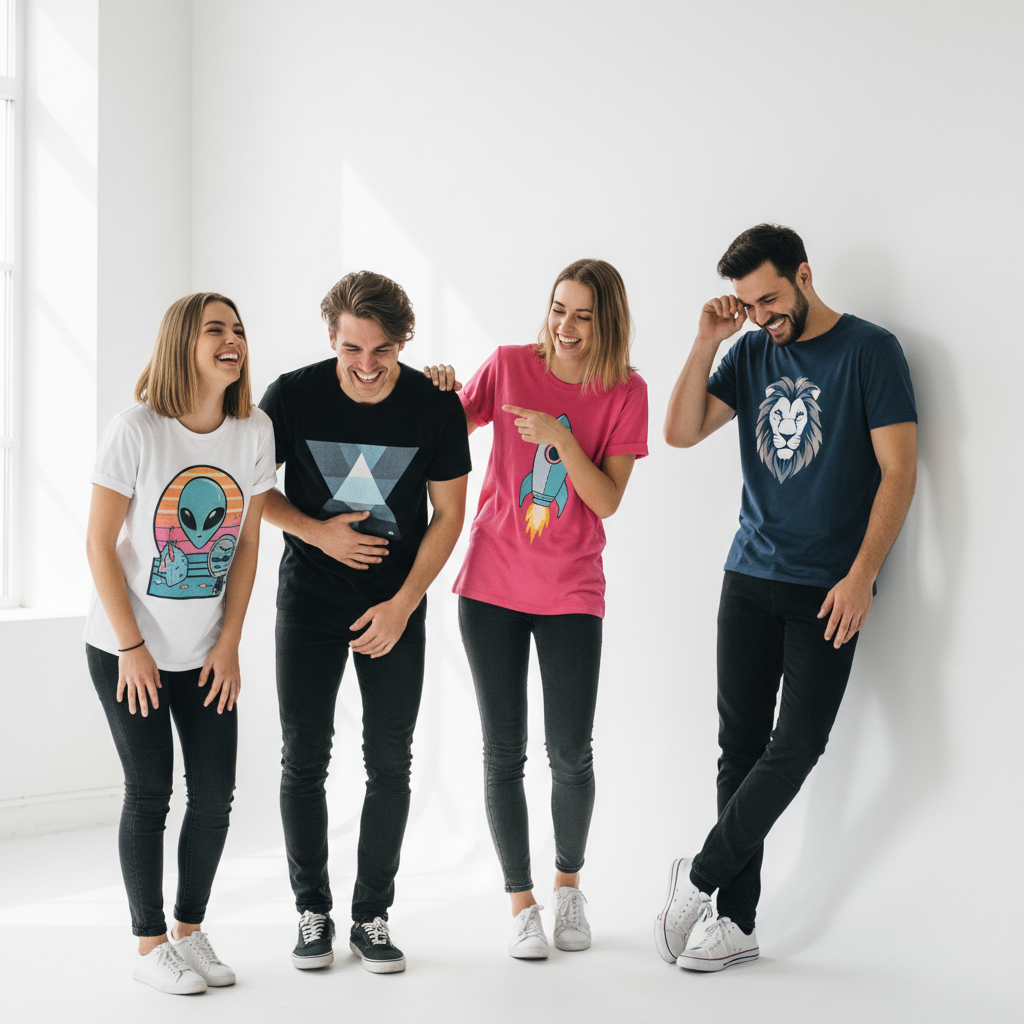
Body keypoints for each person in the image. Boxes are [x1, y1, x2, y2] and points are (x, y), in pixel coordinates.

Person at [654, 224, 917, 971]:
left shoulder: (871, 351)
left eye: (770, 298)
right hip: (748, 576)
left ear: (804, 274)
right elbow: (678, 432)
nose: (764, 315)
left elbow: (898, 469)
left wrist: (863, 574)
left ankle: (698, 876)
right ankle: (737, 922)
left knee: (797, 743)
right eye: (749, 303)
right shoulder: (750, 350)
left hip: (827, 586)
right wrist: (708, 340)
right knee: (738, 748)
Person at [426, 258, 648, 959]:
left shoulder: (625, 392)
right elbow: (446, 429)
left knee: (571, 753)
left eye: (583, 314)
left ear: (606, 321)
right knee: (503, 752)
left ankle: (568, 887)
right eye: (559, 308)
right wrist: (436, 391)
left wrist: (558, 437)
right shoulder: (511, 364)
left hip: (571, 592)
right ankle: (521, 902)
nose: (567, 325)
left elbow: (607, 498)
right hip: (490, 587)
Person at [258, 270, 470, 975]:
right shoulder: (291, 395)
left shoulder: (435, 405)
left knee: (389, 763)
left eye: (383, 350)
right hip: (309, 603)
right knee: (304, 759)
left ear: (404, 342)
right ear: (332, 338)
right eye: (353, 349)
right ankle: (311, 911)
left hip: (394, 606)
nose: (368, 366)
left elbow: (450, 516)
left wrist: (404, 602)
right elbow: (253, 488)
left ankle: (372, 915)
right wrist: (319, 534)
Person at [85, 293, 276, 994]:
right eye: (215, 330)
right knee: (150, 791)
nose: (233, 341)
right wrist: (132, 646)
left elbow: (249, 543)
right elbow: (99, 545)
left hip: (204, 652)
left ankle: (190, 933)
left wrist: (230, 642)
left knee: (217, 794)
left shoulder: (254, 430)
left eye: (238, 330)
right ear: (181, 344)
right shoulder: (137, 428)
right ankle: (149, 944)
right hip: (125, 647)